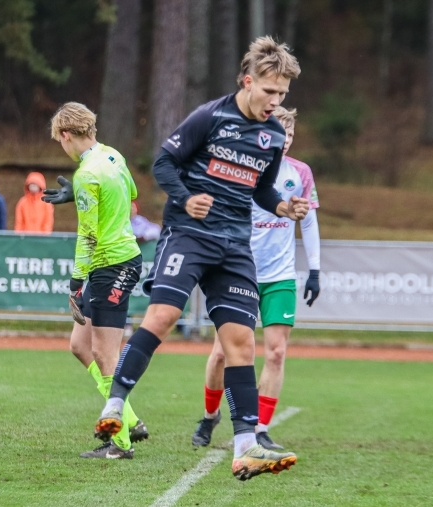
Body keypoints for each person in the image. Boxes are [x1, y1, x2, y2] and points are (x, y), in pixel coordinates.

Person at [93, 36, 305, 481]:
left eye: (282, 94)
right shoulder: (210, 116)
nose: (275, 100)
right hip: (189, 234)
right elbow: (163, 163)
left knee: (241, 343)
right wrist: (187, 199)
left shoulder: (271, 137)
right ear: (248, 81)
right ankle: (115, 404)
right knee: (164, 315)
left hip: (234, 246)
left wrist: (284, 207)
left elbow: (263, 190)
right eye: (270, 91)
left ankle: (246, 446)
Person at [192, 106, 321, 451]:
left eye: (290, 136)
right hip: (239, 271)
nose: (285, 142)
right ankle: (209, 415)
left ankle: (261, 427)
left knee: (276, 352)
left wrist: (315, 270)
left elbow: (307, 221)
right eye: (281, 135)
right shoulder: (241, 167)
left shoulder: (300, 173)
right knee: (222, 353)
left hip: (279, 276)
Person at [48, 102, 146, 459]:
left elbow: (87, 234)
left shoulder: (86, 174)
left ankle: (120, 444)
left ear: (66, 134)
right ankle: (131, 420)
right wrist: (78, 197)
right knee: (79, 344)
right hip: (118, 260)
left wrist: (76, 280)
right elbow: (133, 204)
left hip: (111, 265)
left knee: (106, 354)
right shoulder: (112, 156)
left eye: (60, 140)